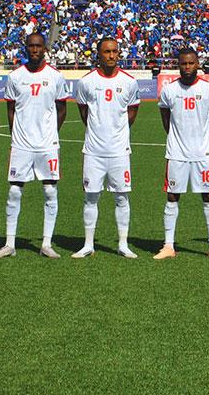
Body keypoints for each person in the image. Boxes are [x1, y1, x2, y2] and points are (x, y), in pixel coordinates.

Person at [0, 33, 72, 259]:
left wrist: (51, 133)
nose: (34, 50)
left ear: (45, 49)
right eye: (31, 46)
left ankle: (46, 243)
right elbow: (11, 110)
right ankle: (9, 243)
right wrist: (16, 135)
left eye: (38, 46)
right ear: (25, 48)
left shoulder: (56, 76)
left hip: (47, 144)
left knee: (49, 190)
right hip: (22, 144)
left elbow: (62, 109)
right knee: (15, 191)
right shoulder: (15, 77)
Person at [154, 48, 209, 260]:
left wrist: (205, 142)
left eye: (190, 63)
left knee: (208, 196)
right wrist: (177, 139)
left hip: (202, 154)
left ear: (197, 64)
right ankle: (168, 245)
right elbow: (165, 119)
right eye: (183, 64)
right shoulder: (169, 90)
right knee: (172, 196)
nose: (187, 68)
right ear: (178, 65)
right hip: (176, 153)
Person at [71, 37, 141, 259]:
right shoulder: (86, 82)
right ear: (99, 55)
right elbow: (84, 112)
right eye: (106, 52)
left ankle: (123, 244)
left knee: (122, 197)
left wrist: (116, 132)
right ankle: (88, 244)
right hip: (93, 151)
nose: (111, 56)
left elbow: (132, 112)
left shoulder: (129, 82)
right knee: (91, 197)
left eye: (114, 52)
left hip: (120, 151)